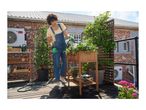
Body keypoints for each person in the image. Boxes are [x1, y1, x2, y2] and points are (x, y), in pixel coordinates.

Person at [46, 14, 69, 85]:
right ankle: (57, 79)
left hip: (63, 46)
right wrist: (51, 46)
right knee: (56, 63)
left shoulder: (61, 25)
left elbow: (66, 35)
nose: (54, 22)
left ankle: (62, 77)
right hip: (55, 48)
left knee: (65, 62)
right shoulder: (49, 30)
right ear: (50, 22)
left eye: (55, 20)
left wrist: (68, 37)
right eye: (52, 21)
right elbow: (49, 41)